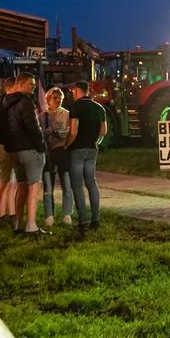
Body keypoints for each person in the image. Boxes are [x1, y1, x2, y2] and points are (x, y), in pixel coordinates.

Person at [1, 73, 46, 234]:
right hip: (29, 149)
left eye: (34, 84)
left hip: (13, 150)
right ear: (20, 84)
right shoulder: (26, 102)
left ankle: (19, 223)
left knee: (21, 186)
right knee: (34, 188)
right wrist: (41, 146)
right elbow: (33, 126)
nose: (33, 87)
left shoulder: (5, 103)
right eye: (30, 84)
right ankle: (31, 226)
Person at [66, 80, 107, 234]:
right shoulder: (99, 108)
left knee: (77, 185)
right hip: (92, 149)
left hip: (77, 149)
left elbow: (74, 131)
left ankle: (83, 220)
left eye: (73, 92)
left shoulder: (75, 107)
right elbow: (103, 131)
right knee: (91, 183)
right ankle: (96, 219)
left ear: (77, 91)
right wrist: (95, 142)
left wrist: (67, 144)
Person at [40, 88, 73, 227]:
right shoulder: (42, 116)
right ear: (48, 99)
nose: (58, 100)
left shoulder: (66, 114)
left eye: (60, 98)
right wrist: (49, 131)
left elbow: (71, 131)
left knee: (66, 182)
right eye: (55, 98)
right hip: (48, 153)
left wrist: (61, 133)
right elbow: (39, 134)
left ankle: (67, 214)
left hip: (62, 150)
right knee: (48, 185)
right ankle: (49, 215)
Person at [0, 78, 19, 225]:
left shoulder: (0, 103)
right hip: (5, 146)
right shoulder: (6, 104)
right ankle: (1, 214)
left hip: (6, 145)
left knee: (11, 183)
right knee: (5, 182)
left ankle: (10, 212)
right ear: (11, 88)